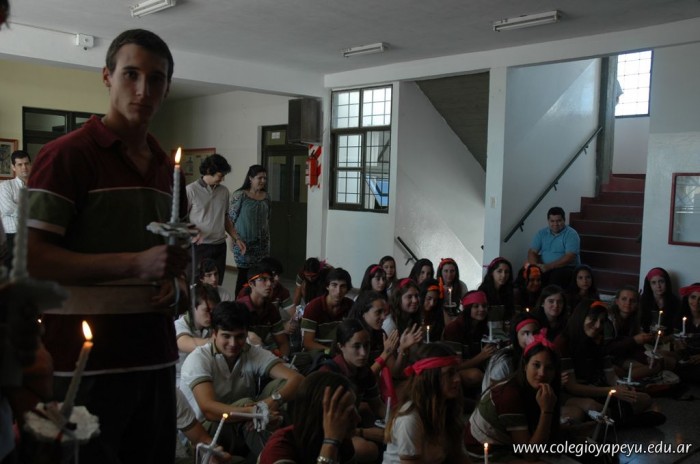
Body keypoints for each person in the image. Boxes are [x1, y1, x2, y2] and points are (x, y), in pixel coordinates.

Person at [27, 29, 189, 462]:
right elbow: (32, 258)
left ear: (167, 88)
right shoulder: (66, 156)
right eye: (131, 74)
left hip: (155, 358)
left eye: (156, 79)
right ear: (106, 77)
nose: (143, 90)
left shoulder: (168, 171)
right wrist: (134, 265)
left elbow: (178, 264)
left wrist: (178, 288)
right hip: (83, 364)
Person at [180, 301, 303, 459]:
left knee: (282, 385)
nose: (233, 344)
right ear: (214, 333)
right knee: (249, 406)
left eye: (239, 337)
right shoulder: (199, 359)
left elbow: (298, 379)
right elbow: (208, 409)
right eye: (226, 336)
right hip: (204, 435)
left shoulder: (251, 352)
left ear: (246, 334)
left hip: (242, 421)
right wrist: (253, 412)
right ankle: (276, 457)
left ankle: (284, 450)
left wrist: (272, 401)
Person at [466, 335, 561, 462]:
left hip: (507, 446)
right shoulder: (510, 394)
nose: (542, 373)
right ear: (525, 366)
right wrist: (546, 411)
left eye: (549, 368)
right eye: (536, 365)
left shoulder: (537, 391)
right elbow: (530, 454)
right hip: (482, 453)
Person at [383, 343, 468, 464]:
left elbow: (458, 456)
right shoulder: (410, 419)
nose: (457, 379)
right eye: (450, 373)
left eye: (456, 372)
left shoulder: (447, 407)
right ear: (430, 377)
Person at [320, 319, 386, 462]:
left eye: (366, 345)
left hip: (348, 426)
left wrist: (397, 420)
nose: (363, 353)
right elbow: (327, 425)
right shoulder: (329, 375)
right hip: (326, 433)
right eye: (356, 346)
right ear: (341, 346)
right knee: (368, 449)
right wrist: (364, 433)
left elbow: (377, 405)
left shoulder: (364, 371)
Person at [258, 371, 360, 464]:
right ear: (320, 415)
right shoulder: (279, 449)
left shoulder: (341, 437)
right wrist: (330, 443)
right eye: (347, 413)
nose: (358, 419)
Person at [187, 153, 236, 285]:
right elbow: (182, 219)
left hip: (219, 245)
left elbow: (225, 217)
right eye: (220, 175)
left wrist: (236, 238)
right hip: (199, 246)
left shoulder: (224, 191)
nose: (223, 179)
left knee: (216, 284)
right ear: (209, 171)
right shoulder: (191, 190)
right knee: (197, 283)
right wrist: (192, 232)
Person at [443, 290, 497, 391]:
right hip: (451, 372)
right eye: (476, 306)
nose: (481, 309)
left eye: (484, 306)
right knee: (476, 375)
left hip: (476, 366)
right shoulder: (454, 328)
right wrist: (482, 356)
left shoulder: (482, 327)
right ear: (468, 309)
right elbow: (455, 366)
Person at [229, 164, 270, 296]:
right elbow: (230, 220)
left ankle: (256, 301)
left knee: (260, 276)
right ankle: (239, 302)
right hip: (244, 244)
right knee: (244, 277)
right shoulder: (240, 195)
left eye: (265, 178)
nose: (263, 181)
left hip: (262, 246)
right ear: (250, 178)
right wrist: (233, 240)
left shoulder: (266, 196)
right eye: (259, 178)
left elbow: (267, 219)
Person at [236, 263, 290, 359]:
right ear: (251, 284)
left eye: (270, 280)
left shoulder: (271, 309)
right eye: (263, 279)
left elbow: (283, 343)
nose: (269, 284)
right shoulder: (238, 308)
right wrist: (247, 334)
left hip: (263, 355)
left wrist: (283, 359)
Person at [175, 282, 220, 384]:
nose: (211, 315)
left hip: (202, 373)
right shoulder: (179, 325)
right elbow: (186, 343)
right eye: (207, 310)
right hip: (179, 379)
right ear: (192, 307)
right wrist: (219, 341)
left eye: (214, 311)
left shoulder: (210, 325)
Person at [301, 268, 354, 352]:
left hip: (341, 351)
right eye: (334, 285)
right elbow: (308, 343)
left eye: (343, 286)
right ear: (327, 286)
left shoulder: (351, 306)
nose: (338, 291)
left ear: (347, 289)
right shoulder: (313, 307)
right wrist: (331, 353)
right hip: (317, 353)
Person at [527, 206, 581, 287]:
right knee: (525, 273)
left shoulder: (571, 234)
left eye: (559, 221)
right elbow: (532, 252)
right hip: (544, 267)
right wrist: (535, 266)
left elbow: (570, 257)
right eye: (552, 221)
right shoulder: (541, 233)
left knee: (555, 277)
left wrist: (549, 266)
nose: (555, 224)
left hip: (566, 267)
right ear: (548, 221)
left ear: (564, 220)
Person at [0, 150, 31, 270]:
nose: (24, 167)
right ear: (13, 167)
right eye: (20, 164)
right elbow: (8, 209)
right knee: (12, 270)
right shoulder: (5, 186)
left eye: (26, 163)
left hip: (31, 235)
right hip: (12, 235)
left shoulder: (36, 185)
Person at [639, 267, 681, 332]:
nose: (658, 286)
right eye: (653, 283)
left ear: (666, 282)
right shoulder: (642, 301)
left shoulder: (675, 302)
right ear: (649, 285)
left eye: (661, 281)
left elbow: (677, 327)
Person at [478, 257, 515, 324]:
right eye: (499, 271)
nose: (503, 275)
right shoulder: (482, 292)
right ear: (492, 272)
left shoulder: (509, 291)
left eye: (506, 272)